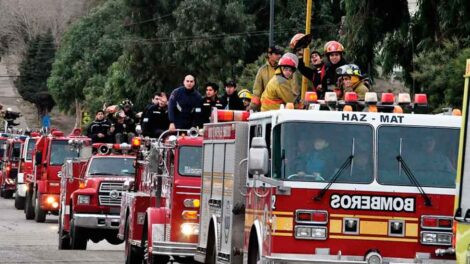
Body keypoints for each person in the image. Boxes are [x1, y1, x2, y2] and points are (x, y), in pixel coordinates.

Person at [250, 46, 283, 111]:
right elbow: (257, 92)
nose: (279, 56)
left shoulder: (284, 69)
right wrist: (252, 107)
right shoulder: (262, 71)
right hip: (266, 109)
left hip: (281, 108)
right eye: (276, 54)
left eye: (280, 54)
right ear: (269, 55)